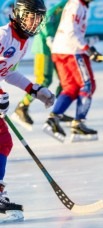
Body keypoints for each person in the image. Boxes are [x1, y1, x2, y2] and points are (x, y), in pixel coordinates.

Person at [0, 0, 55, 221]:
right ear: (19, 15)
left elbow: (7, 72)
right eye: (31, 16)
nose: (35, 22)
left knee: (3, 142)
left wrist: (33, 89)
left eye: (38, 18)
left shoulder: (22, 43)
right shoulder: (4, 34)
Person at [43, 0, 102, 143]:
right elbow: (71, 33)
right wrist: (87, 49)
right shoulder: (76, 5)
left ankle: (53, 120)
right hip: (70, 52)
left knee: (71, 87)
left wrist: (88, 48)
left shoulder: (77, 4)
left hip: (61, 50)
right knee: (87, 86)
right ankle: (78, 124)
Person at [11, 0, 71, 131]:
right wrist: (49, 37)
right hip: (44, 47)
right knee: (44, 79)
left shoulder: (78, 6)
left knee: (64, 80)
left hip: (58, 48)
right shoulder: (65, 5)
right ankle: (22, 107)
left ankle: (58, 111)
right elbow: (47, 18)